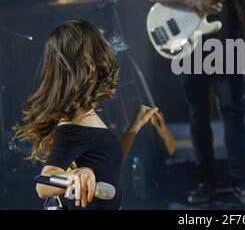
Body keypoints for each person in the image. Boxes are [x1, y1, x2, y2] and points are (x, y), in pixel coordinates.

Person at [148, 0, 245, 204]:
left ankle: (242, 184)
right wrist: (191, 0)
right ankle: (205, 183)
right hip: (189, 38)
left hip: (225, 39)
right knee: (198, 115)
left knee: (233, 112)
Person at [14, 19, 162, 210]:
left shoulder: (87, 115)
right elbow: (43, 186)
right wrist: (76, 175)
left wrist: (134, 127)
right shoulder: (72, 126)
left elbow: (109, 165)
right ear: (85, 63)